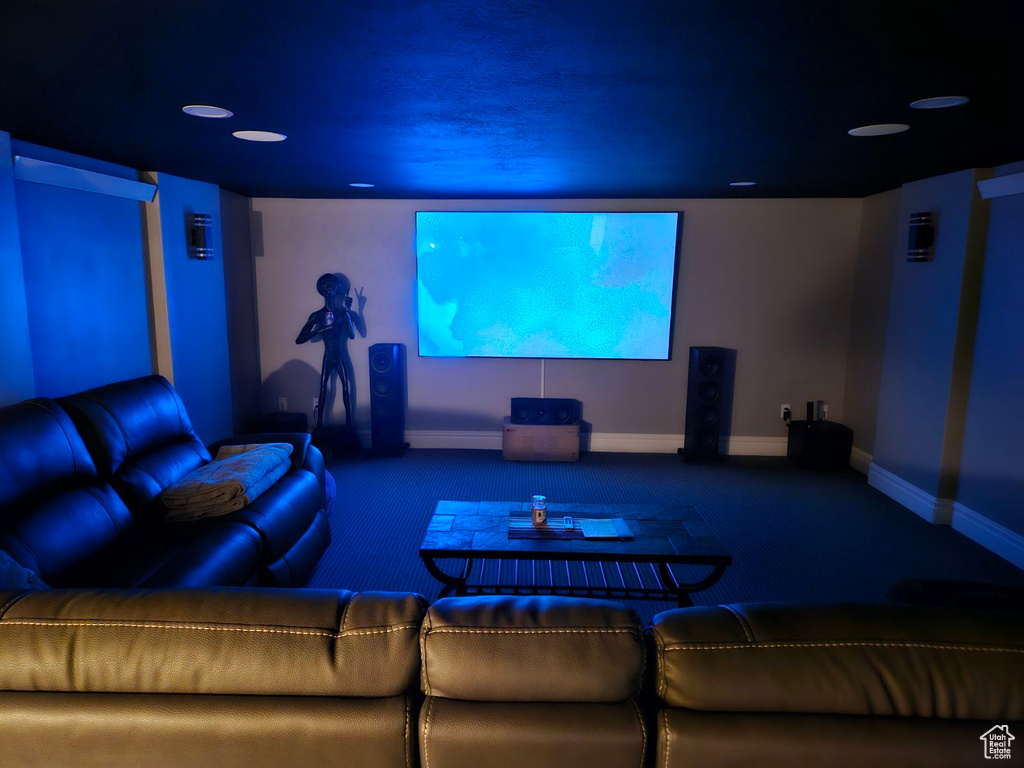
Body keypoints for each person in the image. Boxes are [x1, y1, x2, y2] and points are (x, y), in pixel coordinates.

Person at [296, 273, 365, 432]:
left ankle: (349, 426)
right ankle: (319, 426)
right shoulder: (317, 315)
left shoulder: (342, 314)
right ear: (322, 290)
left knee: (346, 389)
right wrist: (320, 329)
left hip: (340, 355)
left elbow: (353, 335)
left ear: (338, 291)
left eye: (331, 287)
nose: (329, 291)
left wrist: (350, 312)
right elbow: (299, 339)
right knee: (322, 391)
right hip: (328, 356)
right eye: (326, 287)